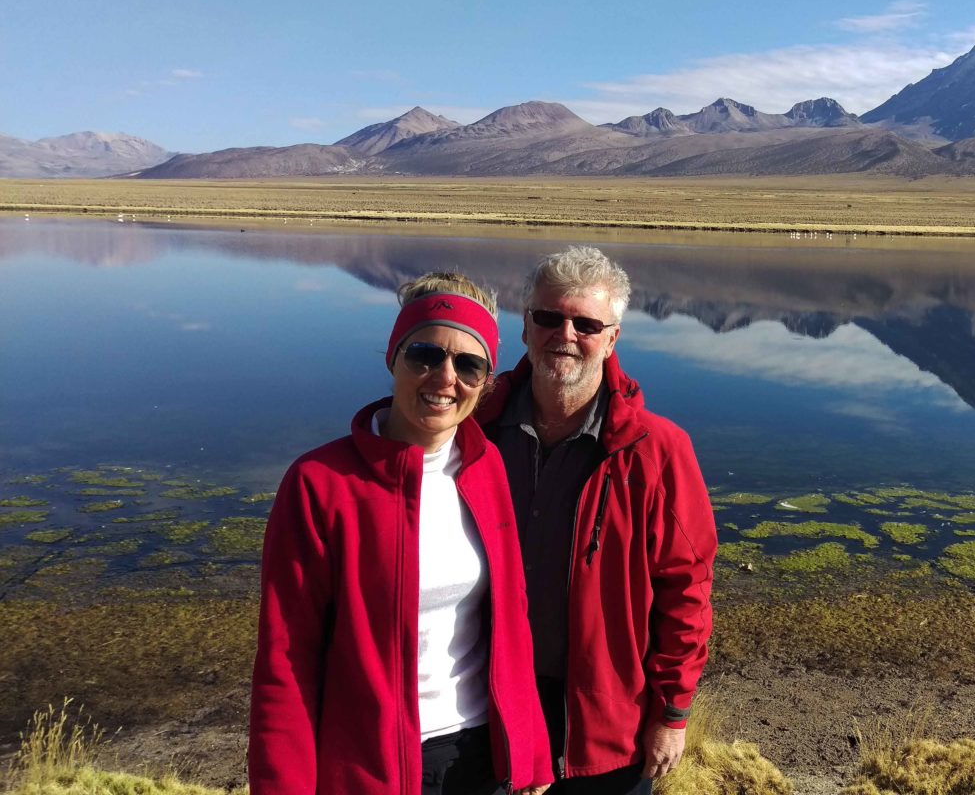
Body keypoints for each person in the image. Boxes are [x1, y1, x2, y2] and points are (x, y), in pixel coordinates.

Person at [250, 272, 553, 795]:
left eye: (469, 365)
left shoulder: (486, 467)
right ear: (393, 358)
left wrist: (530, 751)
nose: (445, 378)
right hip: (374, 765)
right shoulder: (320, 484)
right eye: (425, 355)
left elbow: (512, 614)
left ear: (485, 382)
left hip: (481, 756)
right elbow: (286, 657)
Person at [476, 246, 717, 795]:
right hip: (485, 709)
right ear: (525, 326)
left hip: (607, 723)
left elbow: (687, 590)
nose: (564, 334)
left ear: (612, 339)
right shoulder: (476, 431)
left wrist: (673, 713)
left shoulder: (657, 451)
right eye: (549, 317)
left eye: (586, 324)